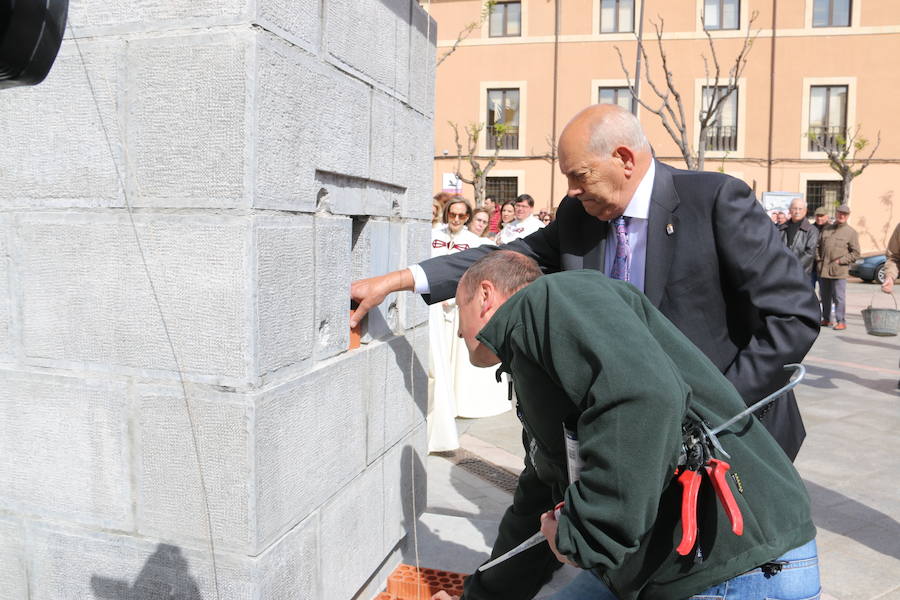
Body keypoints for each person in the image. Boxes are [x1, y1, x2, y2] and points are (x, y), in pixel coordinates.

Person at [351, 103, 819, 460]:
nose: (571, 192)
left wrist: (717, 409)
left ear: (623, 159)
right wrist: (401, 279)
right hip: (633, 433)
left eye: (580, 176)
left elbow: (793, 315)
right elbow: (505, 255)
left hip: (732, 435)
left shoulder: (713, 200)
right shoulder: (580, 215)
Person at [432, 251, 818, 600]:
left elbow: (644, 396)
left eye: (458, 308)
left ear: (485, 296)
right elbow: (539, 496)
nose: (459, 330)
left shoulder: (550, 297)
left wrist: (589, 532)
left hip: (734, 569)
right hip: (660, 570)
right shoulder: (536, 350)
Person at [427, 198, 507, 452]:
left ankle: (461, 403)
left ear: (468, 217)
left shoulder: (477, 243)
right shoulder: (431, 235)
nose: (457, 220)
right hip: (435, 309)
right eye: (453, 214)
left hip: (458, 305)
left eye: (462, 216)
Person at [817, 204, 860, 331]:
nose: (841, 216)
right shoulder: (827, 229)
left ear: (847, 216)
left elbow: (856, 253)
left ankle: (841, 321)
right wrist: (819, 260)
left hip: (839, 271)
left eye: (844, 214)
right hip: (824, 270)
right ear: (836, 213)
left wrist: (841, 261)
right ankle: (826, 319)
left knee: (839, 298)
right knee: (824, 296)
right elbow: (817, 246)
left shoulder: (851, 232)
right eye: (839, 213)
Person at [779, 198, 818, 278]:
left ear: (805, 210)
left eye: (800, 209)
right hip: (782, 271)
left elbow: (810, 253)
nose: (797, 212)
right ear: (790, 210)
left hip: (801, 273)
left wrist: (793, 265)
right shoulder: (781, 228)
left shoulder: (811, 230)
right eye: (794, 208)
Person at [811, 207, 830, 289]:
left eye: (821, 216)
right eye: (817, 216)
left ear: (827, 216)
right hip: (811, 266)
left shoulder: (831, 229)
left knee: (825, 293)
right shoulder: (810, 228)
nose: (819, 218)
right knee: (810, 291)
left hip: (824, 266)